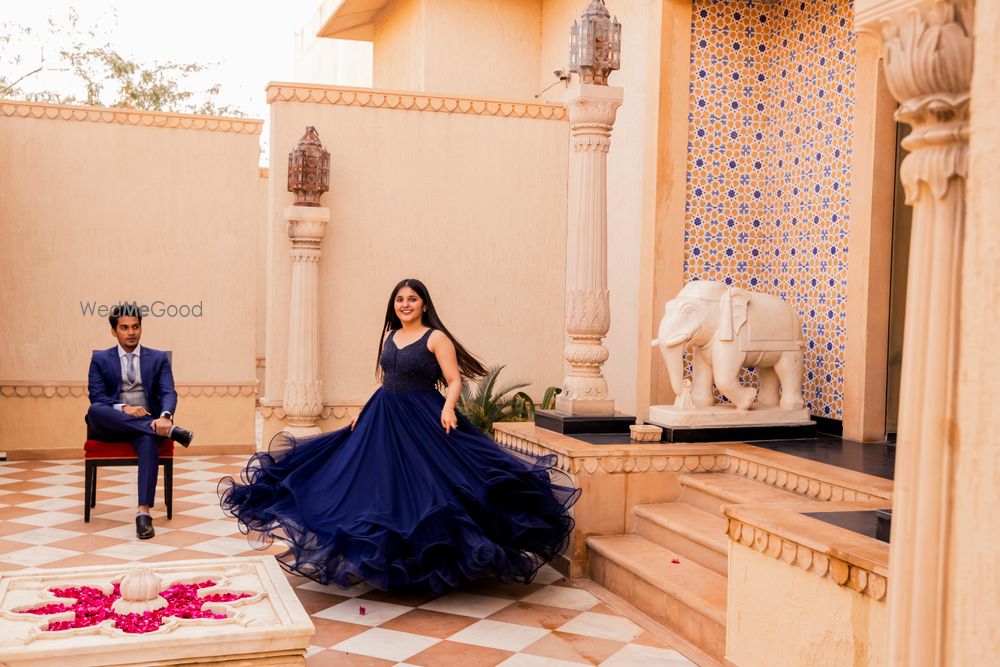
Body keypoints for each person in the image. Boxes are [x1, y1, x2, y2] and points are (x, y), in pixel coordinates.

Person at [219, 278, 580, 593]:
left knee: (430, 487)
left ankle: (431, 562)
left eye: (411, 299)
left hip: (423, 415)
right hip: (384, 414)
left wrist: (449, 407)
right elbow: (385, 378)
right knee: (370, 483)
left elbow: (454, 380)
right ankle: (382, 559)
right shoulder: (391, 336)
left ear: (424, 304)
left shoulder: (436, 338)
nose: (405, 304)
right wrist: (364, 407)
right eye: (399, 300)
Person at [86, 303, 194, 539]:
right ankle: (169, 431)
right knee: (95, 409)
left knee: (148, 437)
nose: (131, 332)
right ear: (114, 331)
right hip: (110, 424)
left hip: (146, 426)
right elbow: (98, 396)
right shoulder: (100, 359)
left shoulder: (157, 358)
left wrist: (164, 416)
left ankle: (143, 513)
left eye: (135, 327)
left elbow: (168, 392)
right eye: (124, 328)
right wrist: (125, 408)